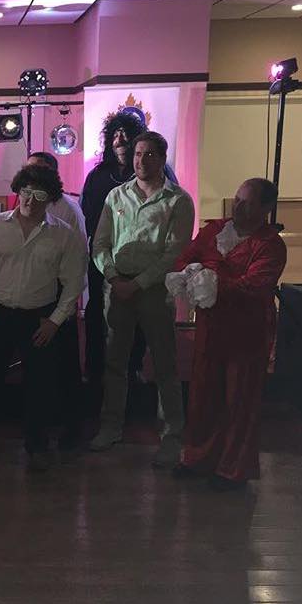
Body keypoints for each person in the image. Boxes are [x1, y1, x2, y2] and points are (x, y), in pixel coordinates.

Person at [0, 164, 88, 471]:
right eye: (25, 192)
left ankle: (37, 445)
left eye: (39, 195)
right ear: (18, 191)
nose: (30, 200)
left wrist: (55, 320)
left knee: (40, 385)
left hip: (39, 318)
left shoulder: (64, 234)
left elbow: (74, 281)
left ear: (51, 199)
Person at [170, 178, 286, 491]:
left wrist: (213, 283)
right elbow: (186, 257)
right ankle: (198, 459)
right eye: (237, 199)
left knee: (240, 400)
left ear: (266, 208)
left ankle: (233, 469)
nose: (238, 206)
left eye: (248, 203)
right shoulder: (215, 230)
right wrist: (189, 274)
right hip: (211, 327)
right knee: (203, 395)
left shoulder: (270, 244)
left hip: (247, 331)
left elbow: (255, 285)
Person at [89, 131, 194, 468]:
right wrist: (113, 277)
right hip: (117, 288)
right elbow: (100, 244)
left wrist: (138, 284)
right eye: (137, 154)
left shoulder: (178, 200)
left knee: (164, 365)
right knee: (114, 363)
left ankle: (171, 437)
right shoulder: (116, 196)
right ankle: (110, 427)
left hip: (154, 291)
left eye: (149, 154)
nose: (141, 160)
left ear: (162, 158)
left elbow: (174, 253)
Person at [80, 113, 147, 389]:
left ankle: (133, 367)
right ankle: (94, 368)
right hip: (101, 256)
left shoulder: (154, 173)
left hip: (138, 258)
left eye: (126, 133)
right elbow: (86, 213)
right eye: (115, 134)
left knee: (137, 316)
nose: (120, 139)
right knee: (96, 313)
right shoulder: (97, 175)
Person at [26, 151, 87, 448]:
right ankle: (43, 423)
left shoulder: (69, 210)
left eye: (39, 171)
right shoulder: (25, 204)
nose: (33, 177)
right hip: (33, 297)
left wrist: (68, 304)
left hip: (60, 299)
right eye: (28, 171)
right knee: (41, 368)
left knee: (65, 366)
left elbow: (79, 258)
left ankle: (72, 427)